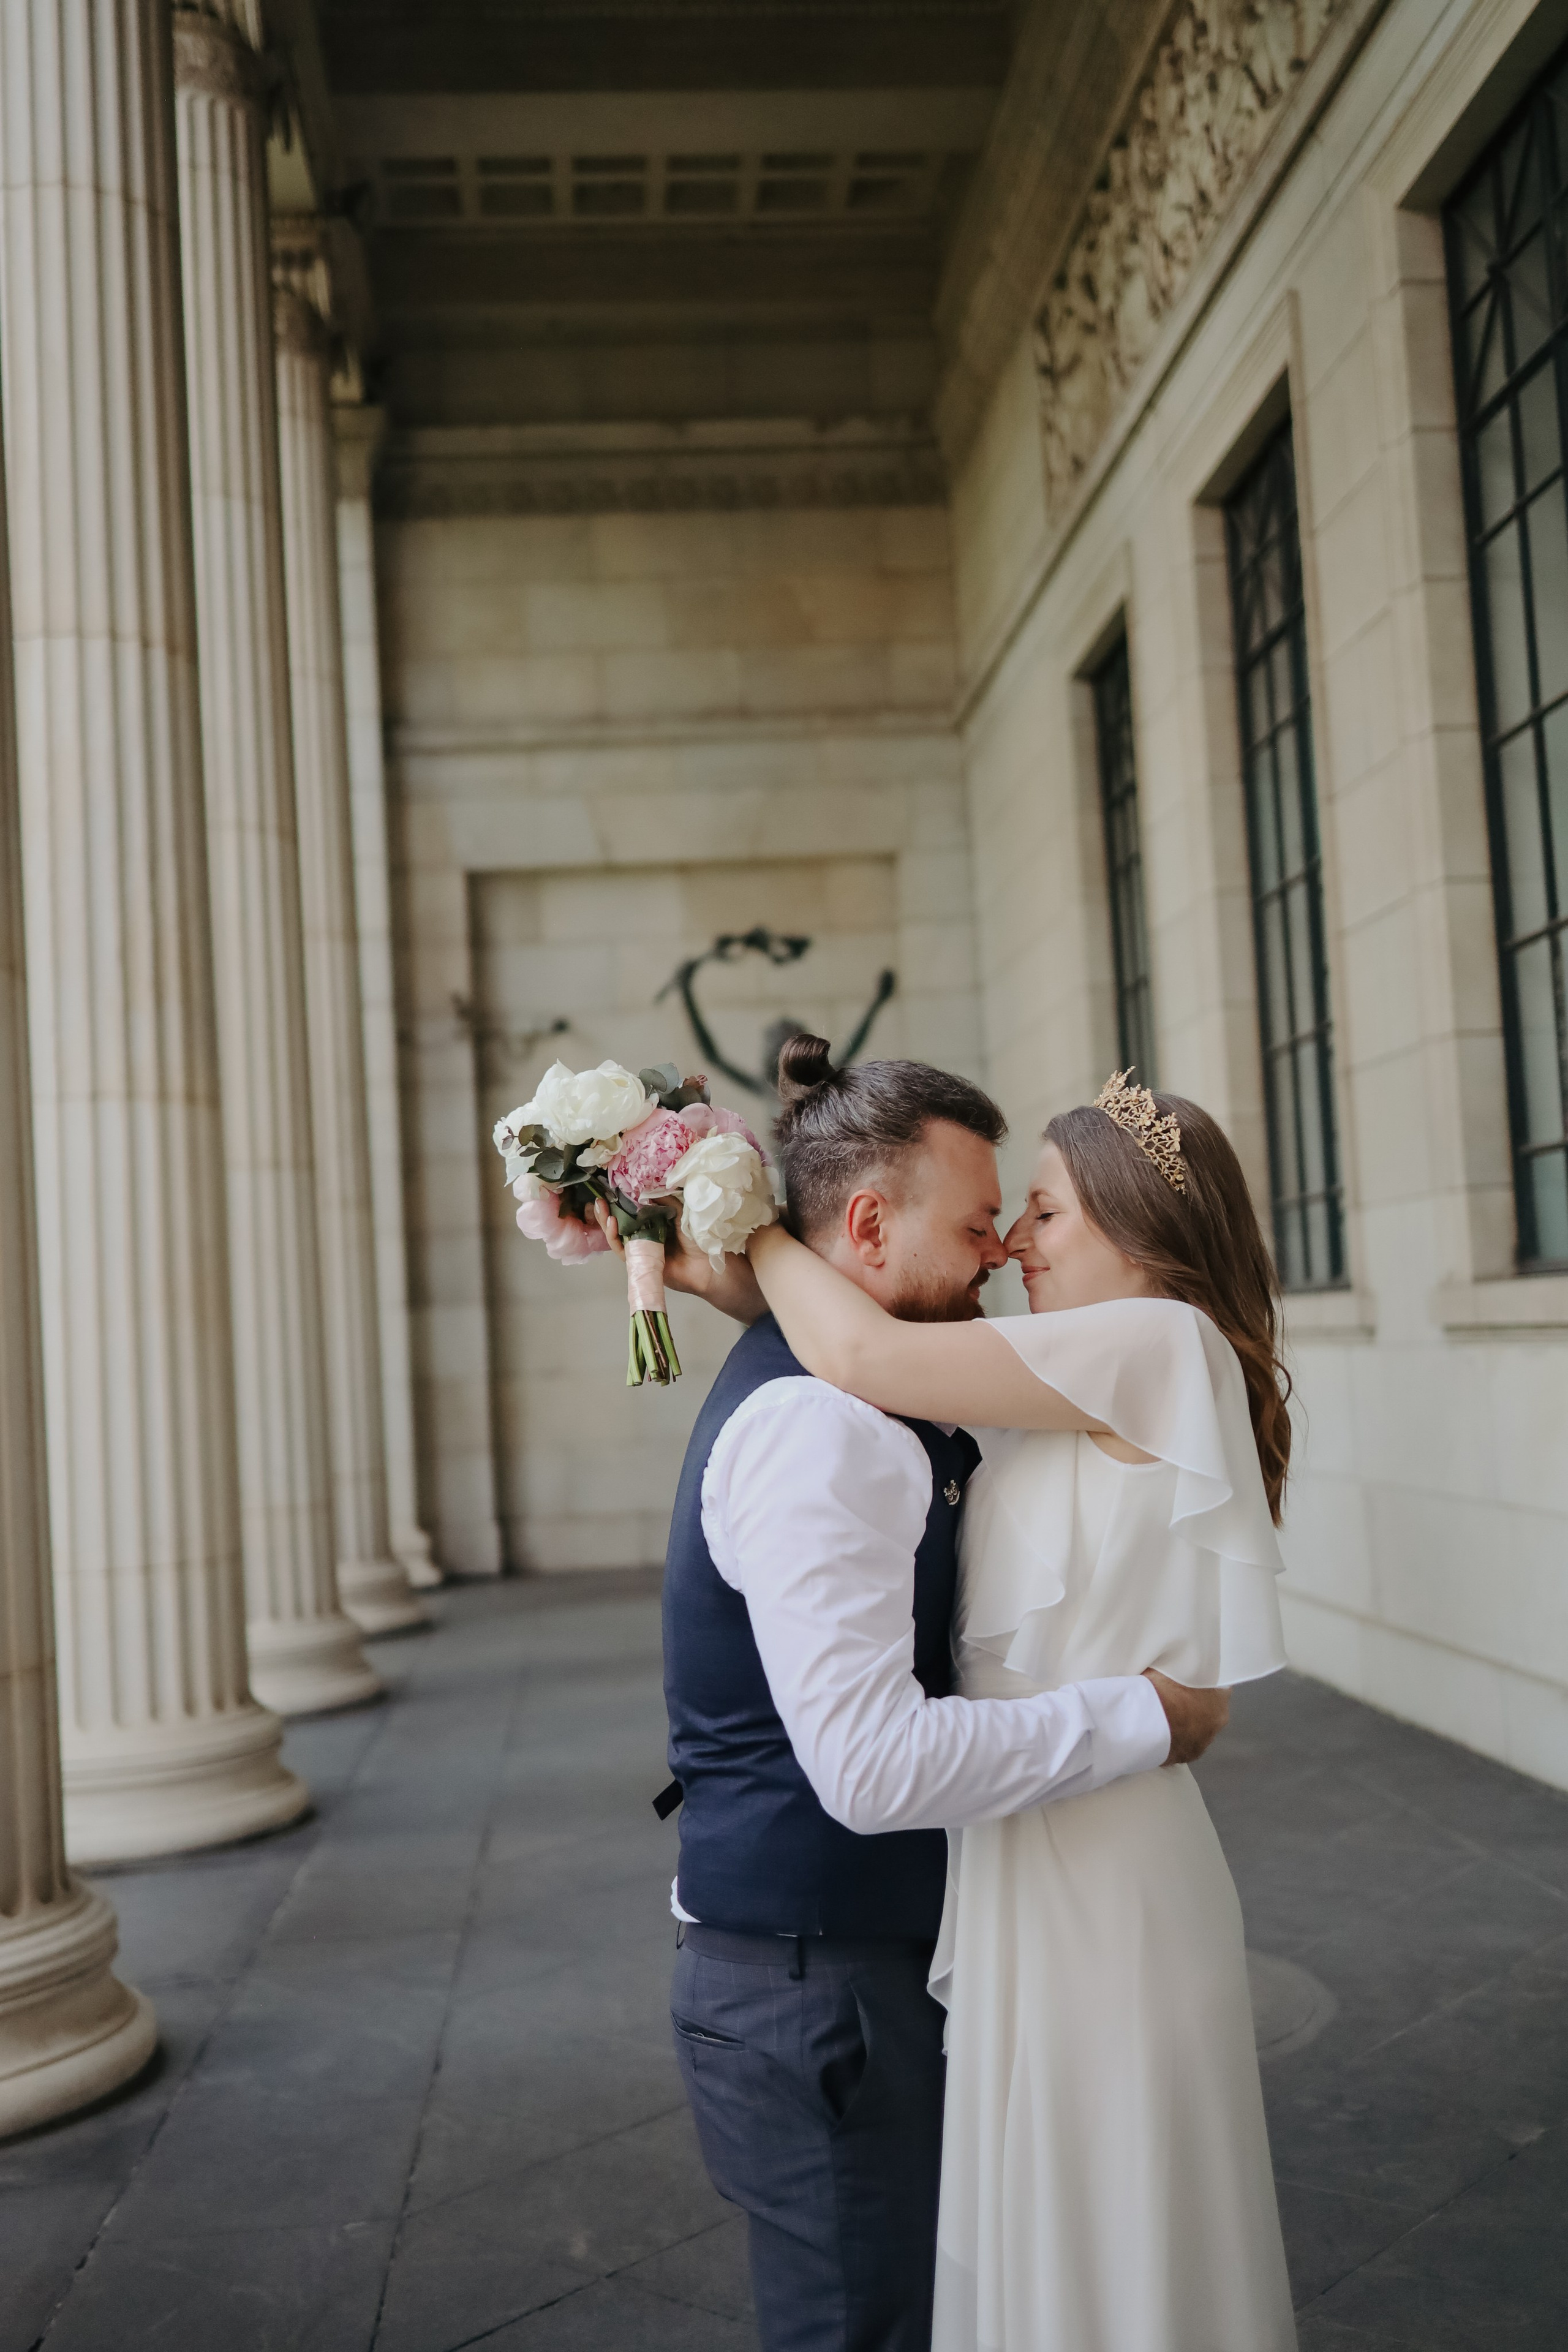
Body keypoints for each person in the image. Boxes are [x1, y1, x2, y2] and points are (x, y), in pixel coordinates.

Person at [640, 1043, 1233, 2352]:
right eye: (985, 1220)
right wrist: (1148, 1716)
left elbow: (859, 1338)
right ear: (867, 1223)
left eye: (1034, 1213)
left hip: (1048, 1886)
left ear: (1132, 1230)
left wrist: (744, 1233)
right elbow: (850, 1347)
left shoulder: (1135, 1347)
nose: (1007, 1247)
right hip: (848, 1958)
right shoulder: (840, 1414)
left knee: (1067, 2260)